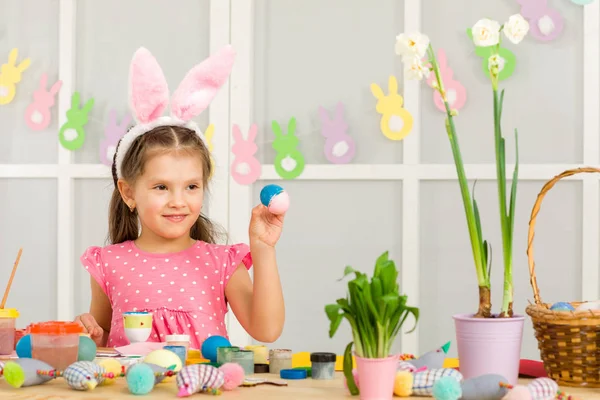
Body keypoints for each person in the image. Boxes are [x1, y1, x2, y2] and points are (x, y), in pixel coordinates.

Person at [73, 45, 285, 349]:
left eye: (191, 187)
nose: (178, 201)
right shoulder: (108, 263)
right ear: (128, 192)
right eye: (161, 187)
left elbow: (267, 330)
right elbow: (108, 345)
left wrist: (263, 249)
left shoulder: (221, 263)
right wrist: (92, 336)